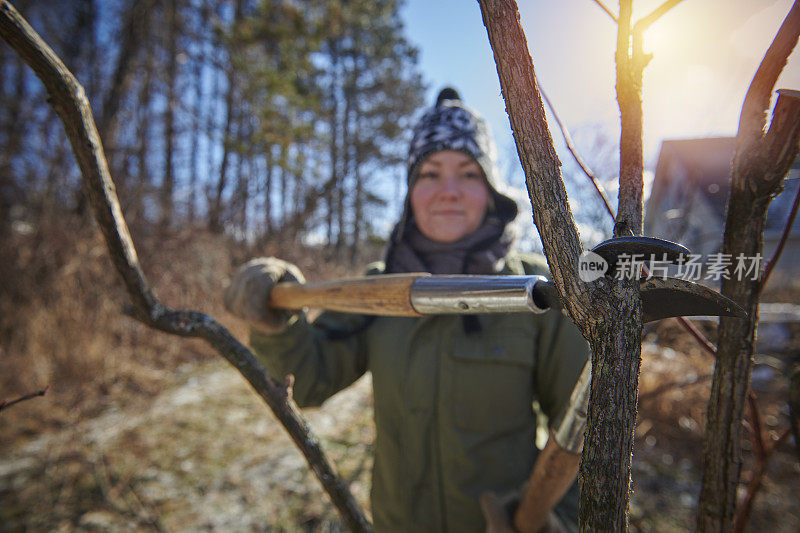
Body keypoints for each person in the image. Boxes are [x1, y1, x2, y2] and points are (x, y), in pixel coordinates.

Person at [224, 88, 590, 533]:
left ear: (491, 190)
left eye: (469, 173)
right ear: (411, 191)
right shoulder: (375, 288)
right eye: (430, 173)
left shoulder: (539, 294)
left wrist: (557, 522)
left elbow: (581, 432)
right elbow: (309, 381)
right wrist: (276, 326)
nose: (449, 191)